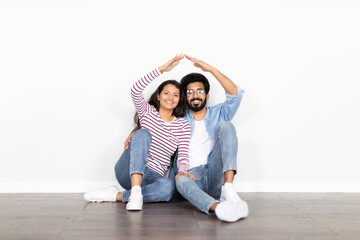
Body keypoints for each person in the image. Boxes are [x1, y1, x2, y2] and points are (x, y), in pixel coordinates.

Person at [84, 54, 195, 210]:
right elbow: (135, 90)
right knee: (143, 133)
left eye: (175, 95)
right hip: (128, 171)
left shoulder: (182, 125)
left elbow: (183, 154)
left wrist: (182, 172)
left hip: (153, 177)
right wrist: (161, 69)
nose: (170, 97)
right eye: (166, 93)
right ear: (158, 95)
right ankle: (135, 191)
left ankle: (116, 196)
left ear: (179, 100)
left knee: (168, 188)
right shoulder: (147, 112)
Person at [174, 55, 249, 222]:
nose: (195, 95)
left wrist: (212, 70)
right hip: (192, 176)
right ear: (185, 97)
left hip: (215, 173)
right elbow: (156, 121)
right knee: (180, 181)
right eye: (190, 92)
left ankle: (228, 188)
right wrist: (135, 131)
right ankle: (219, 208)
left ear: (207, 96)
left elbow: (235, 95)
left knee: (226, 126)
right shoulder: (178, 118)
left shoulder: (219, 113)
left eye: (199, 91)